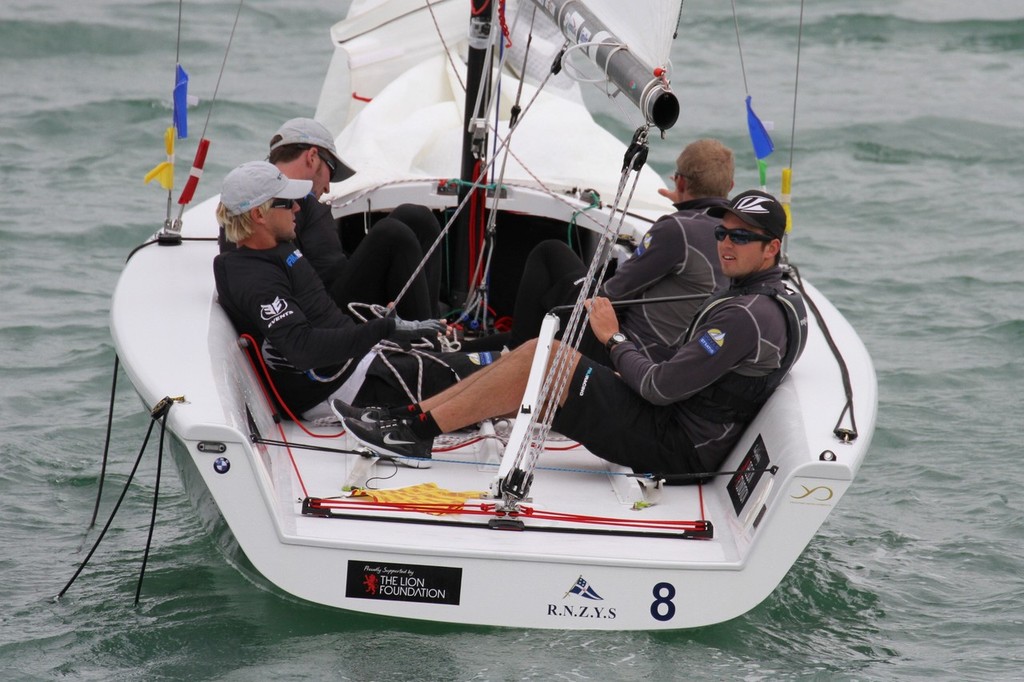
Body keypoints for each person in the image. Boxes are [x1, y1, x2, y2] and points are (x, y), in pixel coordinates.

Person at [335, 189, 807, 479]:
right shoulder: (777, 299)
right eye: (723, 233)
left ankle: (414, 431)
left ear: (772, 249)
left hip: (675, 447)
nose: (726, 244)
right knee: (538, 353)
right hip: (680, 428)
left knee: (547, 359)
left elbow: (660, 388)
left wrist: (613, 338)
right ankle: (409, 420)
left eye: (741, 238)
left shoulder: (746, 316)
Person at [213, 160, 473, 426]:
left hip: (357, 363)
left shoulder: (275, 250)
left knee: (492, 365)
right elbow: (302, 349)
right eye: (287, 202)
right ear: (259, 215)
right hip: (342, 387)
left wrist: (379, 326)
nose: (297, 207)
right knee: (496, 375)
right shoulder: (255, 278)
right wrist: (385, 328)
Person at [460, 138, 734, 365]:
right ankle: (475, 347)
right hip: (670, 357)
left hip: (622, 349)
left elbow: (614, 293)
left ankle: (514, 360)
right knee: (555, 308)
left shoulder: (676, 229)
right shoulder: (735, 237)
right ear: (730, 187)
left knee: (551, 254)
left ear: (680, 183)